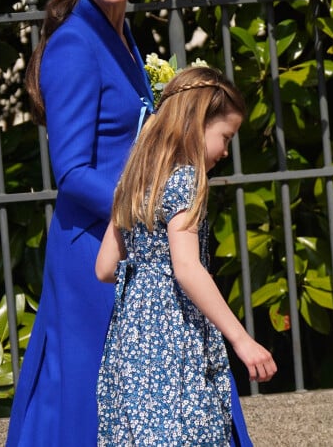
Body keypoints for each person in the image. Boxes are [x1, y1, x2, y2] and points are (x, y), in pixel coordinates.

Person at [6, 0, 154, 446]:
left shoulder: (119, 32)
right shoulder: (73, 45)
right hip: (95, 248)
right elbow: (70, 175)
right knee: (90, 410)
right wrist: (151, 205)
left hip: (126, 238)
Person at [95, 66, 278, 446]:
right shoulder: (186, 180)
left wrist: (145, 275)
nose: (226, 151)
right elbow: (187, 268)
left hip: (132, 332)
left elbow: (104, 268)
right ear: (197, 124)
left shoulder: (131, 180)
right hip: (174, 330)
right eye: (225, 137)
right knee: (186, 429)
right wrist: (242, 340)